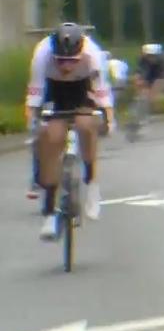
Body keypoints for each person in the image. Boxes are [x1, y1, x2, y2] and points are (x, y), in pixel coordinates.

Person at [25, 22, 114, 239]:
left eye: (72, 61)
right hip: (54, 91)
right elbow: (34, 98)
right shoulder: (42, 54)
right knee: (51, 137)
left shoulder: (93, 55)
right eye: (61, 61)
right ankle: (48, 212)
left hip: (82, 89)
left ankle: (91, 184)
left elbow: (103, 95)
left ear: (81, 53)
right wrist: (33, 126)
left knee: (86, 125)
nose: (66, 67)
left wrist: (109, 121)